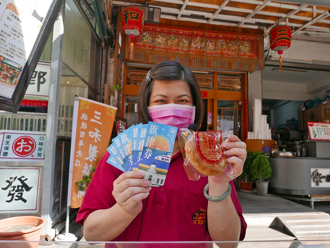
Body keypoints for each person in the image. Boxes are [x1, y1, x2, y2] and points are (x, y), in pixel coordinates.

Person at [76, 60, 247, 246]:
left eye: (182, 101)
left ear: (194, 107)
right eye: (161, 101)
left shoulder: (208, 156)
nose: (172, 108)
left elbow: (229, 243)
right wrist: (124, 210)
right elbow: (91, 234)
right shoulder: (122, 153)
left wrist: (218, 182)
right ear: (147, 107)